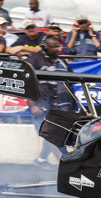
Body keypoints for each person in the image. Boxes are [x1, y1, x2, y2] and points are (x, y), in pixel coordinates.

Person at [25, 35, 76, 169]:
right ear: (45, 47)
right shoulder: (34, 60)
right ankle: (65, 167)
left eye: (58, 46)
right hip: (42, 106)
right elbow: (27, 84)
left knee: (52, 136)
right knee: (53, 137)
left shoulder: (62, 62)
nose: (57, 49)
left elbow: (71, 81)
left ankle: (40, 160)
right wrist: (32, 105)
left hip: (61, 107)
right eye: (54, 47)